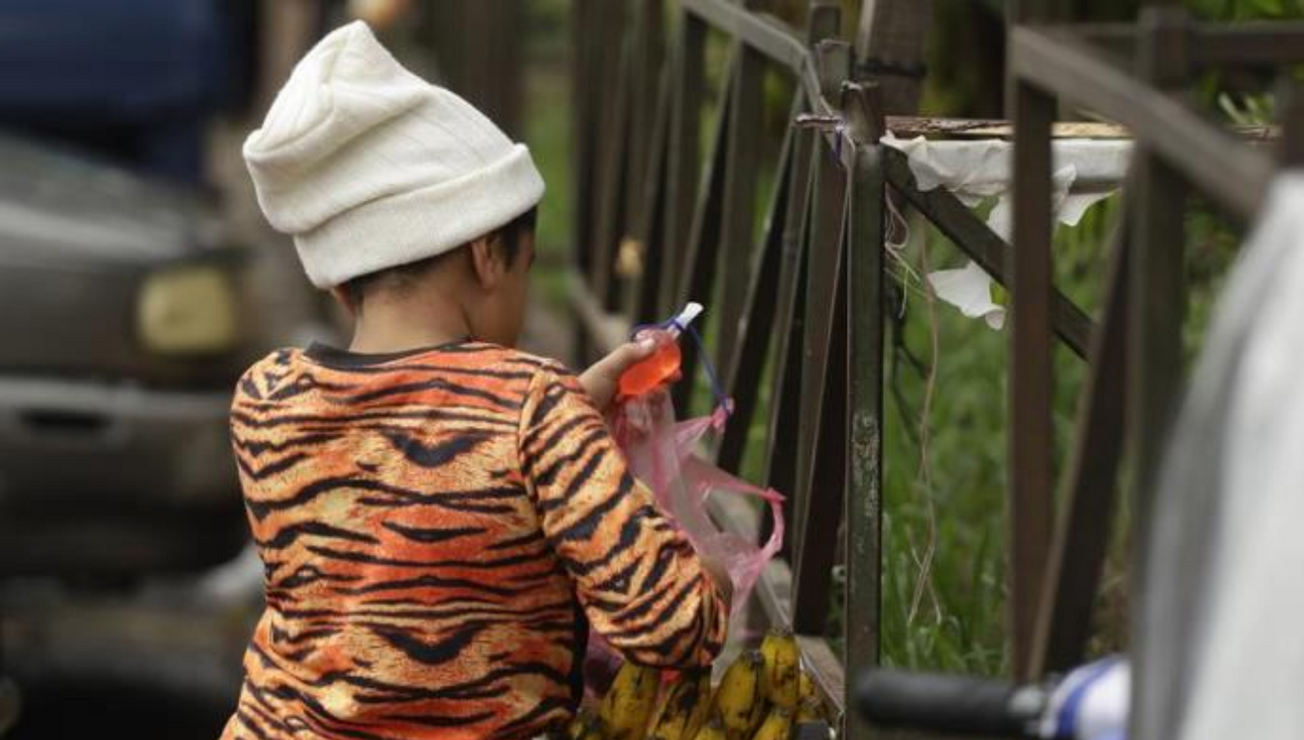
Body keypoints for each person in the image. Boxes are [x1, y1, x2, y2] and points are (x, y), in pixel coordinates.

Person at [221, 20, 730, 740]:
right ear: (489, 255)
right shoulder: (531, 406)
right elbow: (674, 625)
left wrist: (564, 418)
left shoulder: (265, 398)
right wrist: (711, 574)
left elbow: (407, 479)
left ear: (342, 286)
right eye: (523, 270)